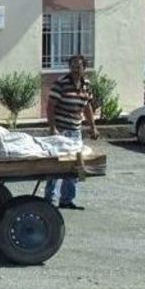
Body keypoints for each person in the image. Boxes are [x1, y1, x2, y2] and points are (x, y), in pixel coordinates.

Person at [45, 55, 99, 210]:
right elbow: (50, 107)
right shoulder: (61, 84)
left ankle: (67, 200)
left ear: (84, 68)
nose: (76, 69)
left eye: (79, 66)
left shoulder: (86, 85)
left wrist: (92, 127)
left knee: (74, 167)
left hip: (75, 131)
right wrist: (52, 128)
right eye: (73, 66)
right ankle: (49, 199)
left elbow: (87, 108)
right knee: (56, 166)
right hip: (60, 131)